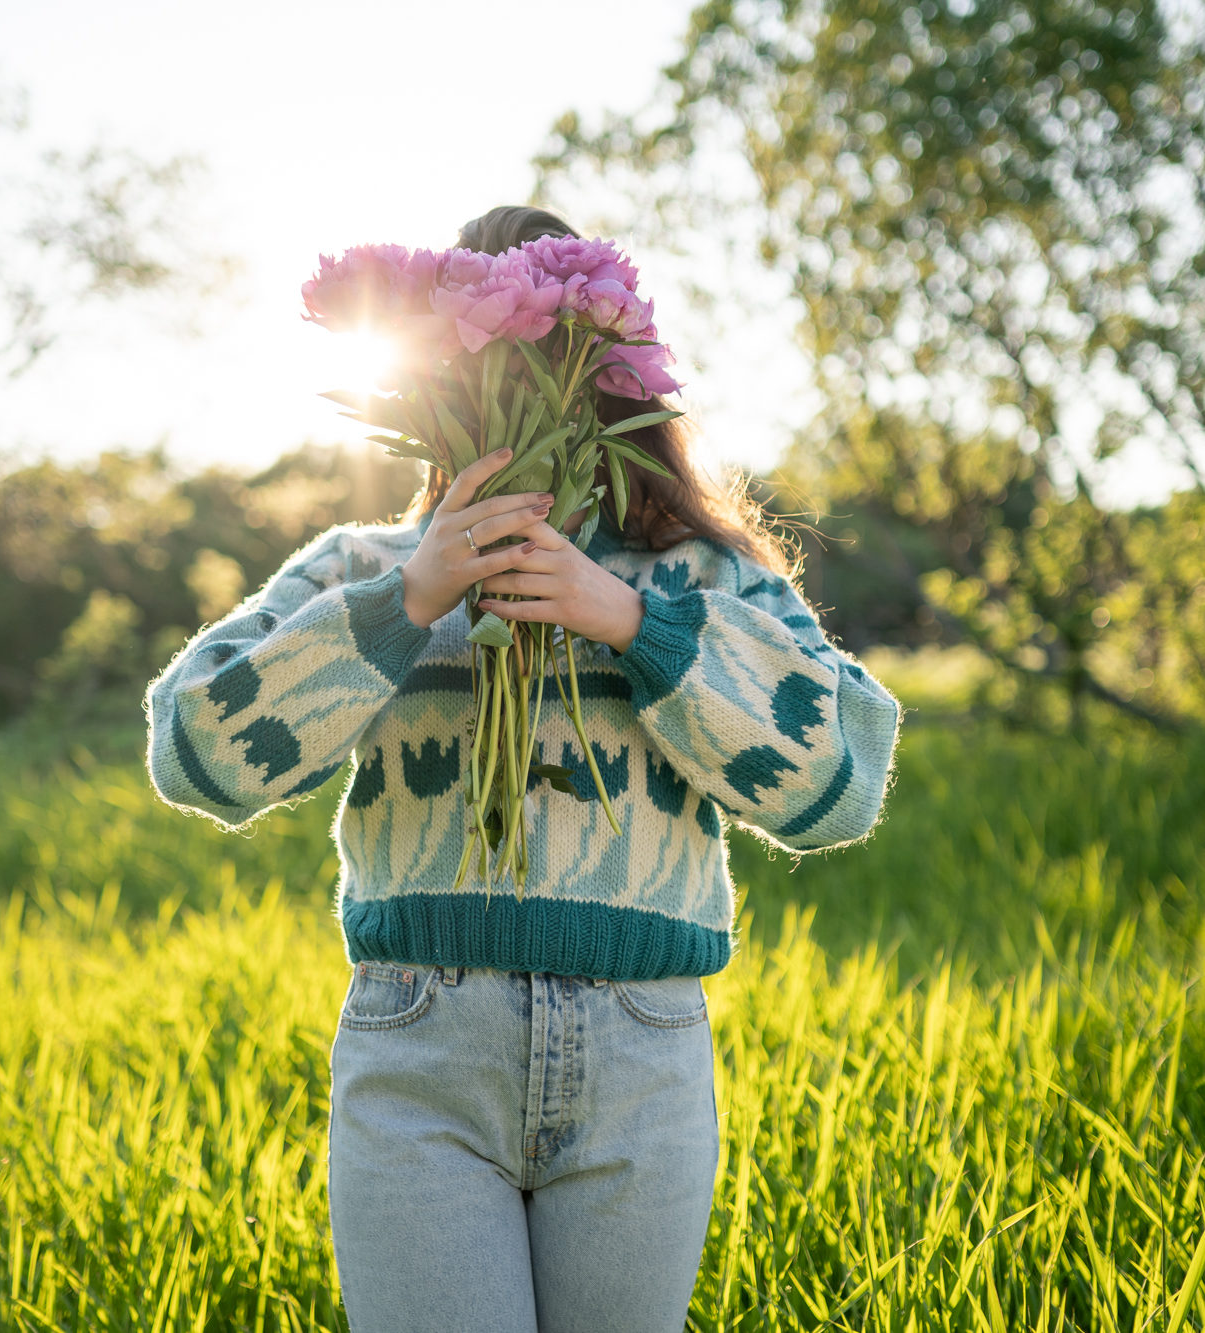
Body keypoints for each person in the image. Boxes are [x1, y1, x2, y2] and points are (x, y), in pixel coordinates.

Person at [144, 205, 901, 1333]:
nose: (507, 374)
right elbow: (192, 749)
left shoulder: (695, 576)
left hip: (641, 1057)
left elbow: (843, 779)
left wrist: (635, 624)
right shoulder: (370, 566)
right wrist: (406, 602)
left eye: (542, 355)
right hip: (422, 1049)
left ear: (606, 376)